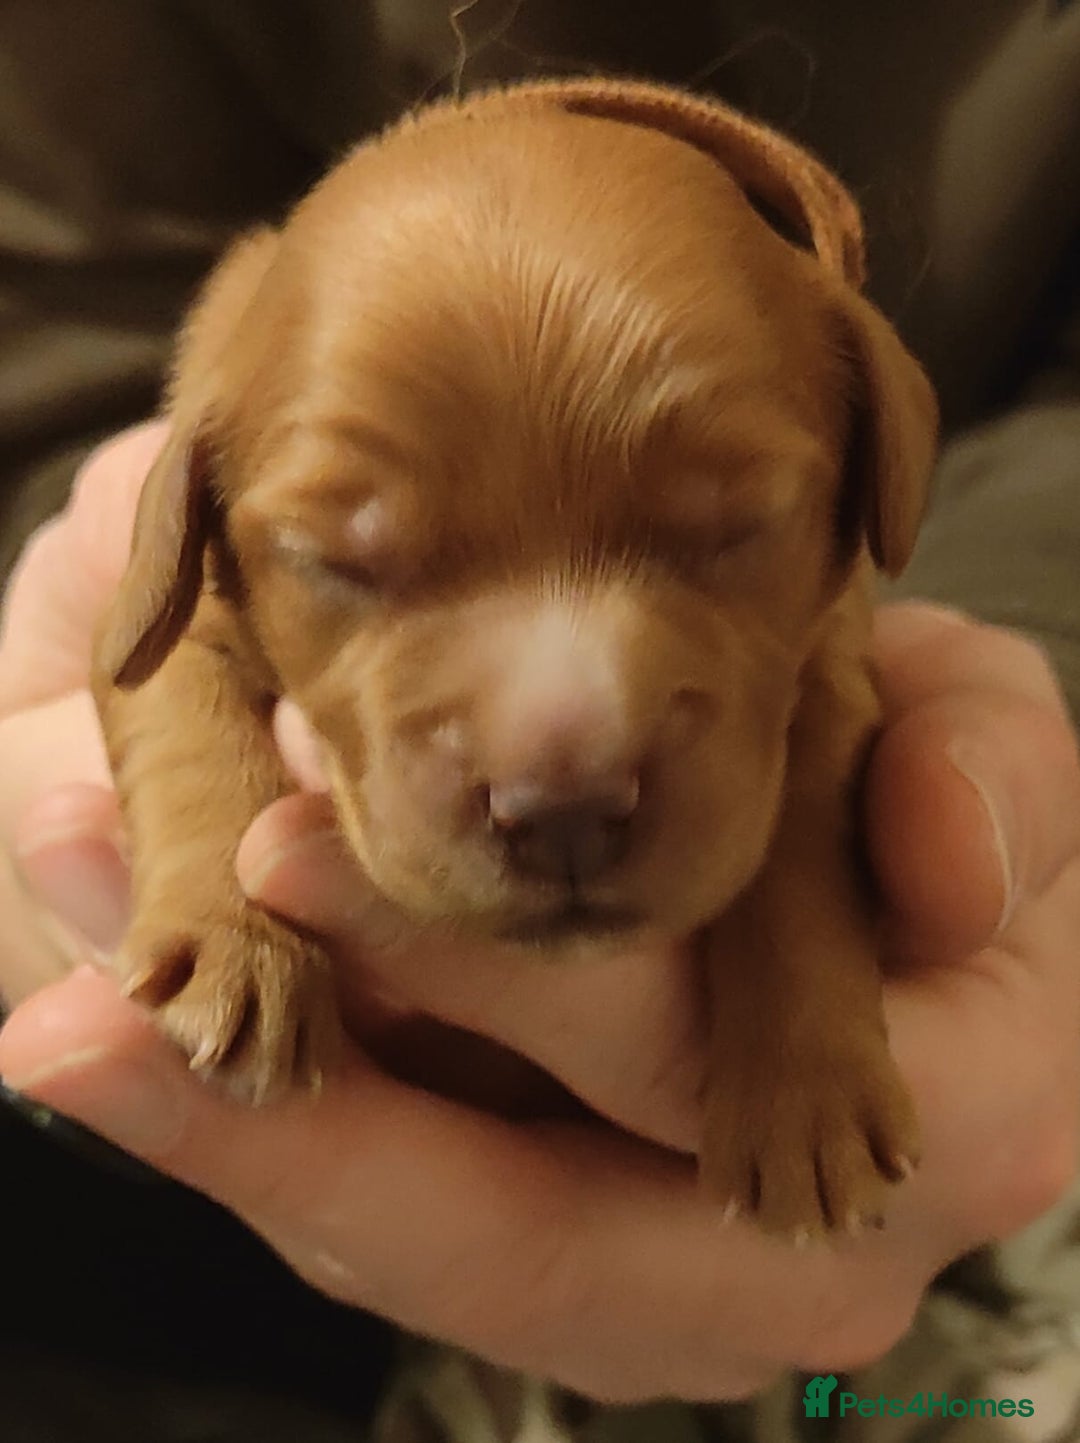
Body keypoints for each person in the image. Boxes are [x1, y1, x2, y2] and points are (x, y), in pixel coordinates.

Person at [0, 3, 1078, 1441]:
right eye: (352, 557)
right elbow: (157, 600)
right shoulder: (215, 475)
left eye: (724, 530)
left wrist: (808, 1003)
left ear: (874, 447)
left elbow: (840, 693)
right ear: (191, 512)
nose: (553, 757)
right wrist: (192, 883)